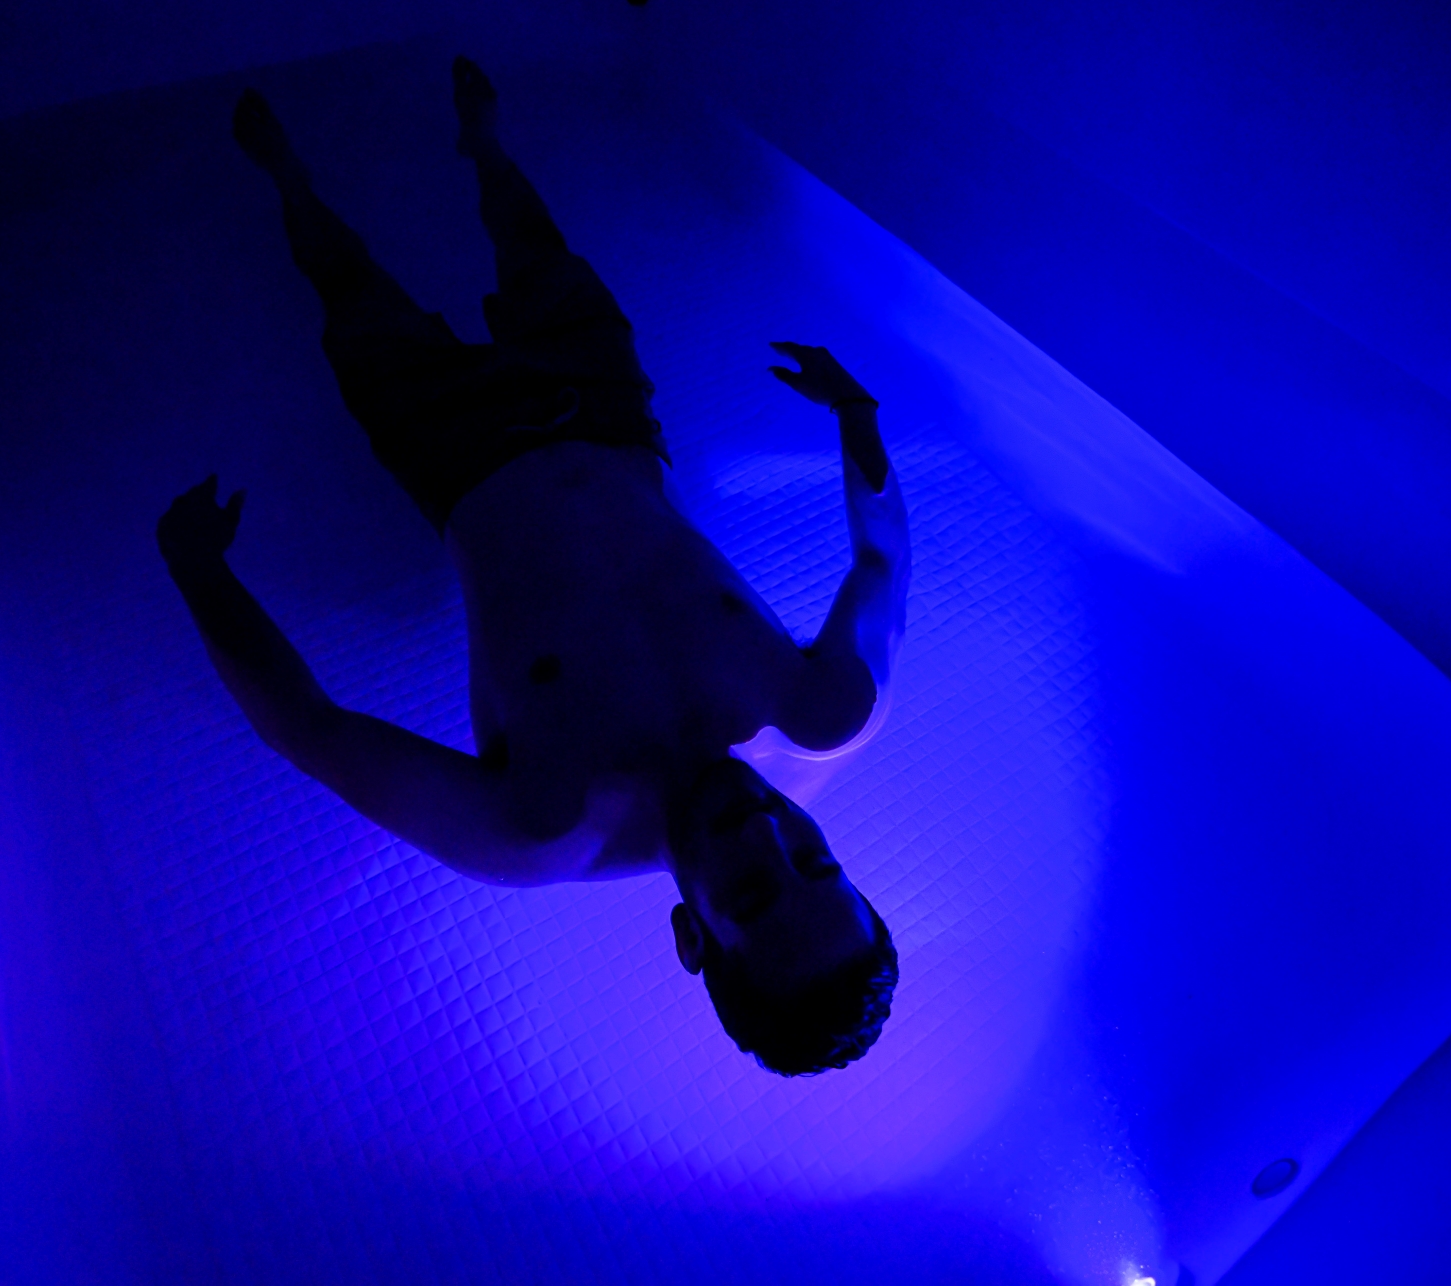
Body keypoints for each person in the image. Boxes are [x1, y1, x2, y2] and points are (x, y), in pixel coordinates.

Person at [159, 57, 909, 1076]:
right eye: (816, 860)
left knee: (350, 289)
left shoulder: (540, 825)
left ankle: (288, 176)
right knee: (538, 249)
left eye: (749, 893)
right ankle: (484, 145)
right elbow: (879, 561)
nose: (766, 835)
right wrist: (857, 416)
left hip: (453, 453)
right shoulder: (821, 710)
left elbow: (313, 732)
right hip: (606, 418)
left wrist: (199, 572)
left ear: (692, 935)